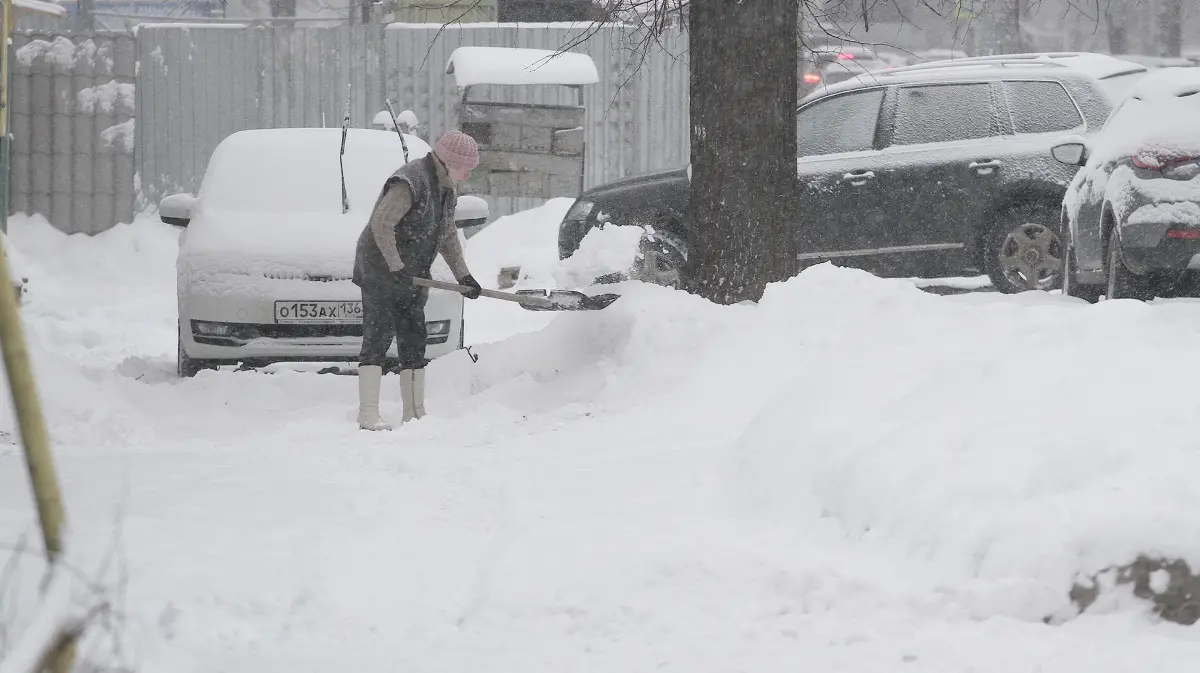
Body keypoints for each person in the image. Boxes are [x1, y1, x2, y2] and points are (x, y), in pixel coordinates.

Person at [351, 131, 483, 431]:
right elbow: (381, 223)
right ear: (449, 162)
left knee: (414, 339)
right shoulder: (410, 181)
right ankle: (368, 413)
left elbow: (448, 234)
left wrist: (464, 275)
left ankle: (415, 414)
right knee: (378, 338)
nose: (468, 172)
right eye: (466, 166)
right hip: (380, 267)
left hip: (412, 273)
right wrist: (395, 266)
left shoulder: (447, 187)